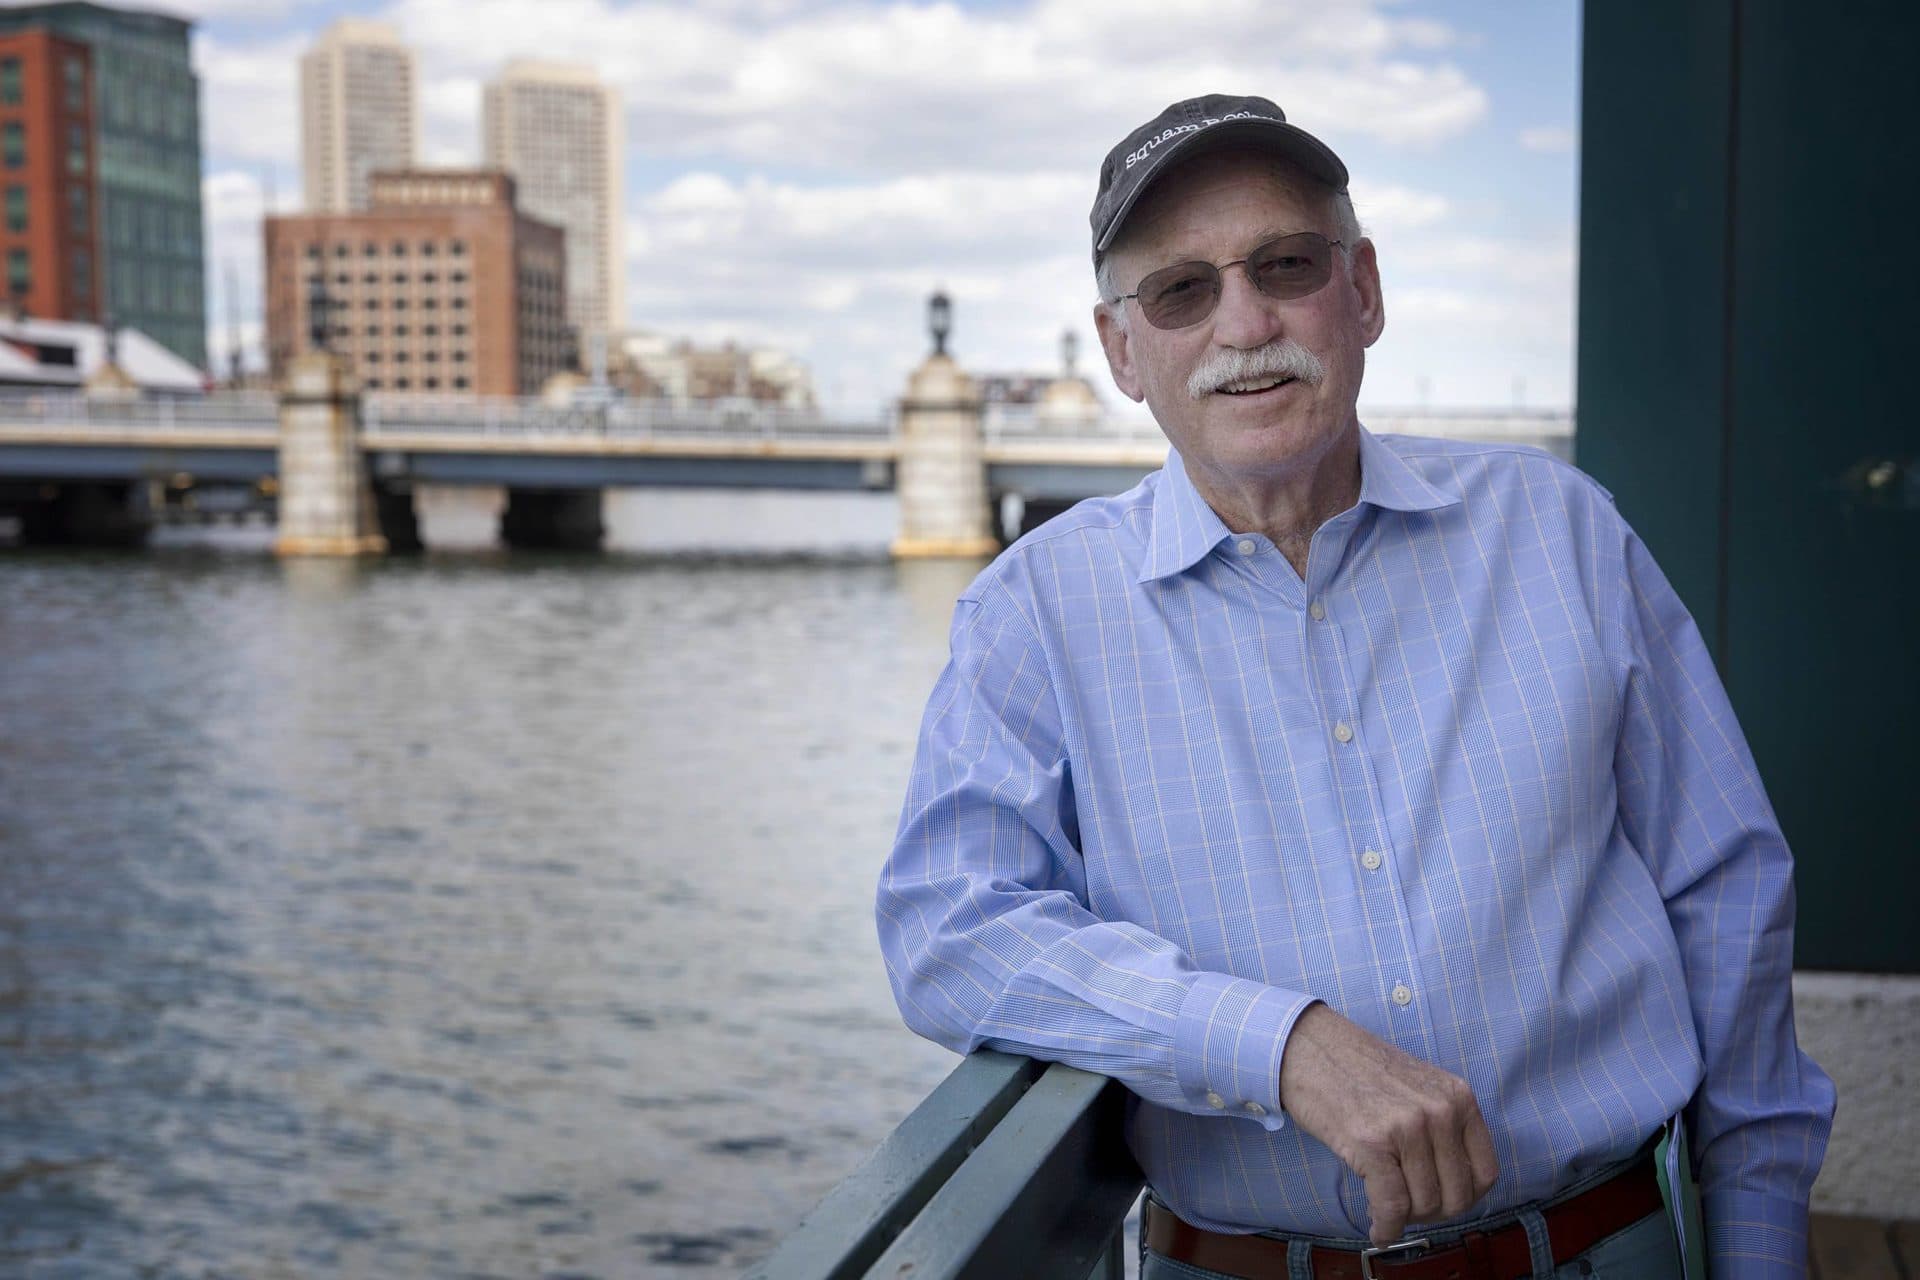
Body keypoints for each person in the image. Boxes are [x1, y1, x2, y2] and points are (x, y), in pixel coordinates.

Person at [875, 94, 1834, 1278]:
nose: (1244, 321)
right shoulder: (1034, 612)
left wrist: (1758, 1244)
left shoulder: (1562, 534)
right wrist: (1274, 1042)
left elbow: (1727, 892)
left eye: (1286, 264)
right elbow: (946, 926)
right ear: (1122, 349)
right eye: (1181, 290)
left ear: (1364, 292)